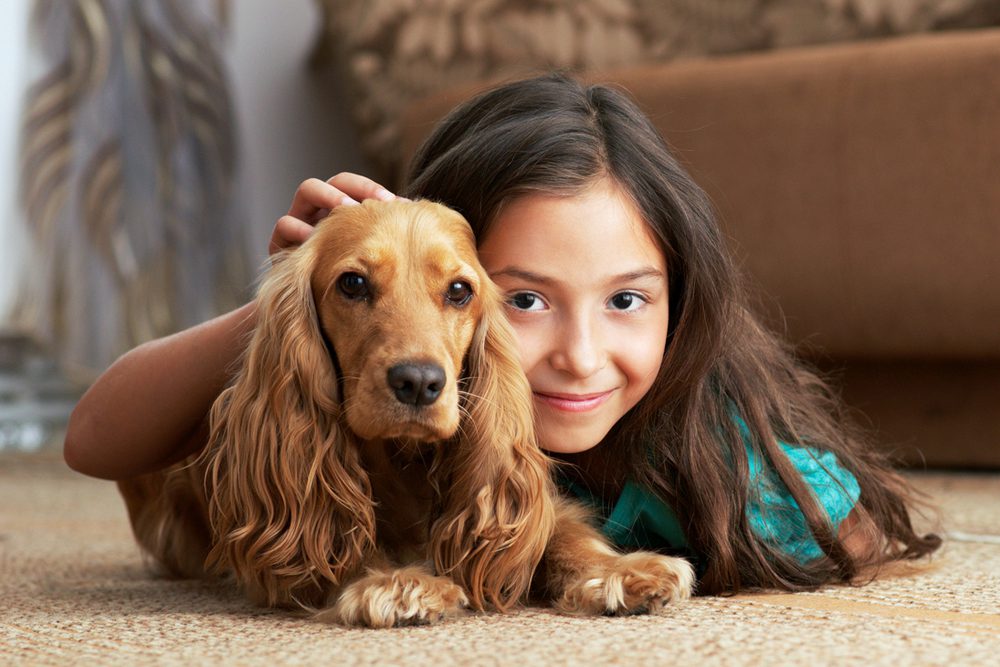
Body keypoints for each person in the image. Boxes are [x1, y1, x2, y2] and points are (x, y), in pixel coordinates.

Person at [64, 73, 940, 594]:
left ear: (681, 300)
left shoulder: (702, 435)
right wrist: (301, 289)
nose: (580, 353)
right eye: (523, 301)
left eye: (627, 301)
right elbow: (95, 440)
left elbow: (851, 534)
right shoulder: (355, 367)